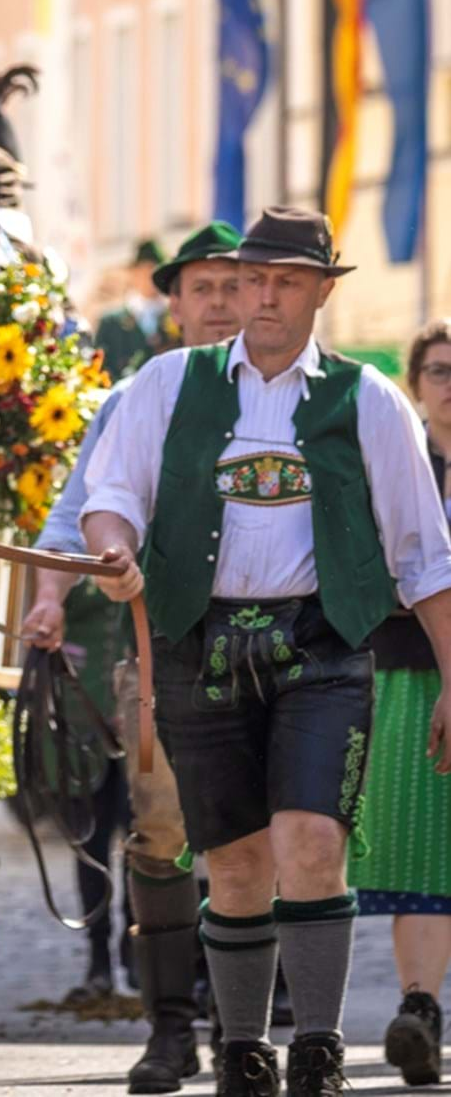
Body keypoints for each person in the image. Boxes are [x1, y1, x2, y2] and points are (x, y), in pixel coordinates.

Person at [81, 206, 451, 1097]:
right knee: (237, 862)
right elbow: (111, 492)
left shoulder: (366, 399)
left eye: (287, 281)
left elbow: (423, 551)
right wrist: (115, 550)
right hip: (197, 643)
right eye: (253, 279)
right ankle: (243, 1048)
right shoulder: (168, 384)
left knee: (312, 841)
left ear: (323, 291)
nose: (265, 296)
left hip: (322, 646)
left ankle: (317, 1047)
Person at [24, 219, 243, 1093]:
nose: (223, 304)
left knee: (246, 843)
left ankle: (239, 1027)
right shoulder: (130, 403)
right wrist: (47, 599)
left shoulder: (290, 396)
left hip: (276, 649)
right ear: (176, 306)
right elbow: (72, 513)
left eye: (236, 285)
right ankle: (169, 1032)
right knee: (159, 839)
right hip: (160, 654)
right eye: (206, 289)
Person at [348, 318, 451, 1086]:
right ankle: (421, 1008)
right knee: (423, 850)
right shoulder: (392, 461)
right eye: (441, 371)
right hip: (414, 673)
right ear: (416, 384)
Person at [95, 240, 175, 379]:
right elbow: (99, 369)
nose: (149, 277)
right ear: (132, 273)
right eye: (143, 270)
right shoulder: (111, 321)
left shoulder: (177, 317)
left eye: (155, 270)